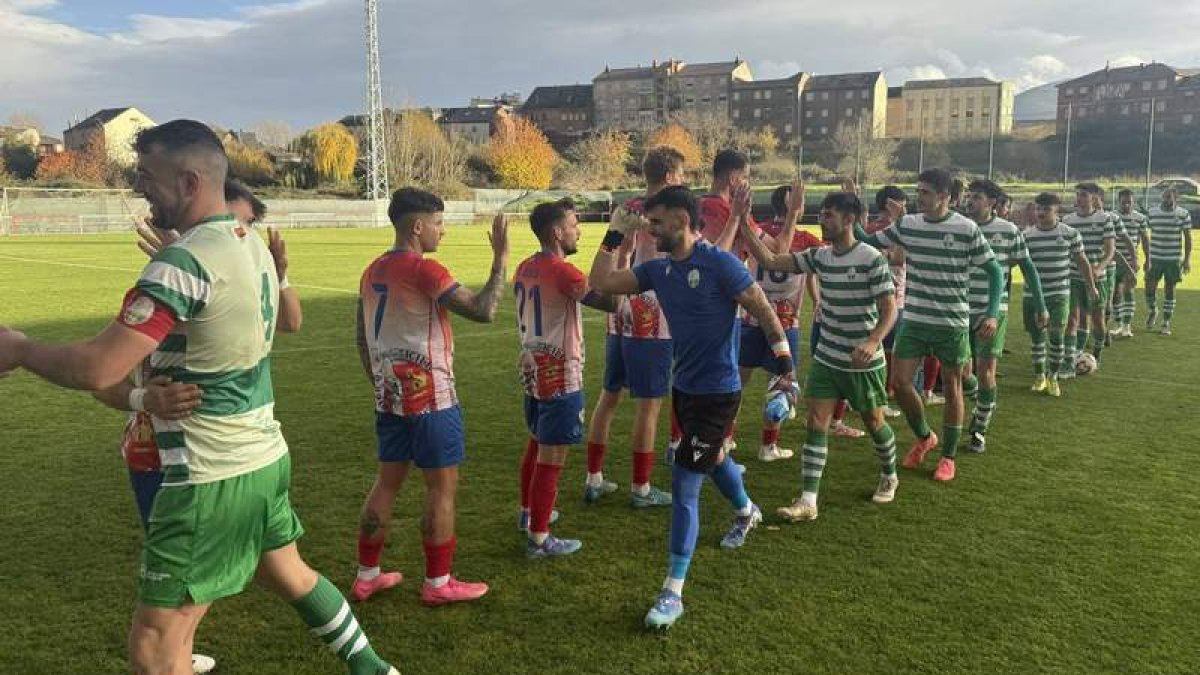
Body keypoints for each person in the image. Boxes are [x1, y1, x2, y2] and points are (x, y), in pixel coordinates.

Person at [0, 120, 399, 675]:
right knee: (290, 574)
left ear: (189, 182)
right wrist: (145, 398)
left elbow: (97, 369)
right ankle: (374, 668)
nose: (139, 187)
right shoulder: (250, 244)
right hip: (261, 458)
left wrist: (19, 348)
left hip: (209, 477)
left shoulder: (184, 263)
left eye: (146, 176)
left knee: (157, 643)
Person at [96, 179, 295, 674]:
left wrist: (278, 273)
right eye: (234, 223)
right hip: (161, 455)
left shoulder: (234, 271)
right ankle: (175, 652)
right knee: (168, 598)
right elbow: (101, 375)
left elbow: (289, 322)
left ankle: (177, 649)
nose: (239, 234)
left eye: (247, 225)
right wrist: (144, 398)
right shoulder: (172, 282)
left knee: (181, 593)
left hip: (217, 457)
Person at [588, 185, 793, 630]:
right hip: (685, 387)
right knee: (712, 456)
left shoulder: (720, 264)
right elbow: (601, 284)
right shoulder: (660, 270)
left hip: (720, 391)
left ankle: (672, 592)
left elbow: (763, 309)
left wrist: (786, 368)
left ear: (682, 220)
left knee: (684, 481)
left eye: (657, 222)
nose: (651, 229)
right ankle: (746, 511)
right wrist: (612, 235)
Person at [352, 188, 504, 606]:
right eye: (439, 223)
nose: (443, 231)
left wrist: (381, 382)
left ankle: (367, 575)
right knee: (441, 488)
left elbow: (360, 339)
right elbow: (485, 310)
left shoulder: (371, 270)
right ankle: (438, 583)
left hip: (389, 395)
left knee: (387, 482)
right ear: (417, 227)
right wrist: (500, 259)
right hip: (431, 397)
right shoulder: (425, 269)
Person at [740, 191, 900, 521]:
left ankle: (890, 474)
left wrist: (872, 342)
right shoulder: (820, 256)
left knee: (874, 422)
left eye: (829, 215)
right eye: (823, 214)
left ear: (849, 220)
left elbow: (889, 310)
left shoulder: (871, 258)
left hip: (862, 361)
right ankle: (808, 501)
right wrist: (742, 222)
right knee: (817, 422)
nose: (823, 220)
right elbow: (771, 261)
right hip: (828, 356)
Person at [855, 167, 1004, 482]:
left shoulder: (965, 228)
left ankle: (948, 457)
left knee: (952, 387)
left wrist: (991, 313)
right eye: (918, 190)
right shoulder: (907, 224)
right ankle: (925, 437)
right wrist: (856, 207)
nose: (918, 197)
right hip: (915, 319)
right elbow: (866, 238)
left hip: (951, 323)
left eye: (924, 192)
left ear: (944, 197)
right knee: (900, 381)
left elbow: (995, 272)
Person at [515, 198, 619, 558]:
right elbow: (612, 302)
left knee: (536, 441)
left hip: (532, 367)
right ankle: (540, 538)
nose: (579, 230)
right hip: (560, 371)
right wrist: (620, 248)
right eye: (575, 224)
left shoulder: (525, 266)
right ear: (557, 233)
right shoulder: (565, 273)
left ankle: (528, 514)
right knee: (552, 454)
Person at [584, 147, 681, 507]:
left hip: (619, 309)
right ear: (671, 175)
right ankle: (641, 487)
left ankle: (594, 477)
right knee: (649, 405)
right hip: (653, 315)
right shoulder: (669, 211)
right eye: (681, 175)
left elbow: (615, 253)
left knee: (609, 396)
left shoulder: (626, 207)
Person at [737, 180, 821, 461]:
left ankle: (724, 438)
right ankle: (768, 446)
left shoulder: (756, 231)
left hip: (750, 318)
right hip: (784, 324)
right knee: (782, 382)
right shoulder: (806, 239)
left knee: (737, 381)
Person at [961, 179, 1047, 453]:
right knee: (963, 372)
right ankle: (983, 402)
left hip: (993, 311)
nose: (970, 201)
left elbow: (1028, 269)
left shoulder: (1008, 231)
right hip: (960, 309)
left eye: (976, 197)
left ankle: (979, 430)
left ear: (992, 202)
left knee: (986, 372)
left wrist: (1041, 305)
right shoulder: (960, 227)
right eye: (969, 196)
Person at [1024, 192, 1096, 397]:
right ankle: (1039, 377)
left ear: (1057, 211)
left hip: (1059, 295)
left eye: (1046, 209)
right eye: (1038, 208)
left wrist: (1091, 286)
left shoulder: (1069, 234)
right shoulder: (1027, 236)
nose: (1041, 213)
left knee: (1056, 337)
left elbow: (1082, 261)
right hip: (1033, 297)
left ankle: (1053, 377)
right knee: (1037, 339)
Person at [1061, 183, 1115, 371]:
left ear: (1093, 198)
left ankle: (1097, 353)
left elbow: (1110, 250)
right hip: (1074, 277)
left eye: (1083, 195)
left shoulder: (1104, 219)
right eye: (1078, 195)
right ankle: (1072, 358)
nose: (1079, 198)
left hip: (1097, 279)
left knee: (1098, 319)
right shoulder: (1068, 220)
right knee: (1074, 318)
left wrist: (1100, 268)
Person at [865, 185, 909, 418]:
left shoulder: (870, 229)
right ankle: (881, 395)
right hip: (892, 299)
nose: (906, 208)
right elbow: (900, 258)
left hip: (873, 297)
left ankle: (870, 394)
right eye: (902, 203)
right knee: (886, 351)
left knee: (873, 348)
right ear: (890, 204)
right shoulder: (892, 230)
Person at [1144, 187, 1194, 336]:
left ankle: (1166, 322)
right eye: (1164, 197)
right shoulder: (1152, 213)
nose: (1166, 200)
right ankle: (1153, 310)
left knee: (1169, 289)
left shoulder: (1183, 214)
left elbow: (1188, 238)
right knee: (1149, 288)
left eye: (1169, 198)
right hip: (1155, 257)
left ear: (1175, 198)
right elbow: (1143, 234)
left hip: (1173, 258)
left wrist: (1187, 260)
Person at [1110, 188, 1149, 338]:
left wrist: (1146, 260)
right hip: (1113, 261)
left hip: (1131, 260)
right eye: (1123, 202)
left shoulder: (1140, 218)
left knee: (1128, 291)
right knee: (1115, 294)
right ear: (1118, 202)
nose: (1126, 205)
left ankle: (1126, 326)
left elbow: (1145, 240)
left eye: (1129, 202)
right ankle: (1118, 324)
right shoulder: (1112, 217)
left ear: (1133, 202)